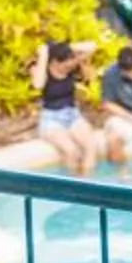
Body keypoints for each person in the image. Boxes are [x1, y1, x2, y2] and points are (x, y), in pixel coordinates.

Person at [32, 36, 104, 175]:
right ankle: (71, 192)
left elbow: (92, 45)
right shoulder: (42, 70)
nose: (69, 67)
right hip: (51, 120)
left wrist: (64, 47)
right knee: (72, 152)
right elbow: (38, 84)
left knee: (91, 147)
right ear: (53, 62)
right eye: (65, 65)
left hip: (73, 115)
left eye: (70, 64)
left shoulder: (70, 67)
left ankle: (87, 187)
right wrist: (45, 53)